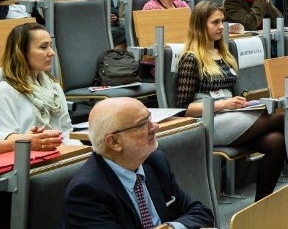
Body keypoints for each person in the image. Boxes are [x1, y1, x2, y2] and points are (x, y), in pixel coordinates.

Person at [174, 2, 288, 204]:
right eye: (215, 22)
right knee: (284, 115)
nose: (221, 27)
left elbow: (232, 94)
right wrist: (223, 105)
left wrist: (245, 103)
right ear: (199, 25)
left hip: (232, 117)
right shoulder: (191, 59)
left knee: (277, 141)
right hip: (210, 121)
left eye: (222, 21)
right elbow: (182, 110)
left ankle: (260, 208)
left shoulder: (223, 53)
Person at [58, 97, 215, 228]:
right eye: (143, 124)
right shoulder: (87, 192)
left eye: (150, 119)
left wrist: (172, 228)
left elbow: (201, 212)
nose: (155, 127)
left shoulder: (155, 162)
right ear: (114, 142)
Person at [0, 22, 80, 150]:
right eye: (43, 47)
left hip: (63, 155)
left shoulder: (53, 86)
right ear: (21, 52)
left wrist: (82, 154)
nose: (52, 53)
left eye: (50, 46)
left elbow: (66, 131)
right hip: (30, 161)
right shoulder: (5, 91)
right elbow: (4, 137)